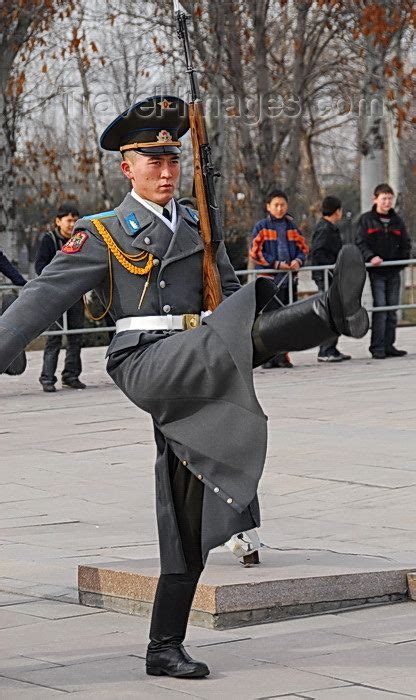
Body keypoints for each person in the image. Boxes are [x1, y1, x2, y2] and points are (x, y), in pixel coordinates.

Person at [0, 95, 369, 679]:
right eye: (152, 161)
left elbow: (223, 299)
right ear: (127, 167)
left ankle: (164, 646)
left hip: (200, 361)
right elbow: (42, 296)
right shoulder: (102, 232)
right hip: (147, 361)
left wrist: (251, 290)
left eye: (173, 160)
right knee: (223, 339)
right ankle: (327, 312)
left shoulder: (197, 223)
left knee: (188, 505)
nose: (166, 171)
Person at [249, 188, 308, 368]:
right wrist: (275, 264)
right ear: (268, 207)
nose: (280, 208)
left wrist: (298, 261)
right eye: (276, 205)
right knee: (268, 320)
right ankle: (268, 357)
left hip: (289, 280)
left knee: (286, 319)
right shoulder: (261, 227)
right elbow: (255, 252)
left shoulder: (292, 226)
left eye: (283, 205)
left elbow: (303, 248)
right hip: (269, 280)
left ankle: (283, 356)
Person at [356, 183, 411, 359]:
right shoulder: (366, 220)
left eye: (389, 198)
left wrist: (400, 262)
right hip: (377, 272)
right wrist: (371, 257)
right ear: (375, 199)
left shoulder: (397, 221)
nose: (387, 202)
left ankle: (389, 345)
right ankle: (377, 347)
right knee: (380, 308)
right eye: (384, 198)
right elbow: (360, 242)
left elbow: (406, 244)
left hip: (393, 272)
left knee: (392, 309)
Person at [35, 204, 86, 392]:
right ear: (58, 221)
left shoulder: (81, 239)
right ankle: (47, 377)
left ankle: (71, 375)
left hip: (76, 294)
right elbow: (40, 266)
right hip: (54, 296)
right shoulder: (49, 240)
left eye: (75, 220)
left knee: (76, 337)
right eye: (69, 220)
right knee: (54, 338)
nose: (72, 224)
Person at [310, 196, 351, 362]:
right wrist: (332, 267)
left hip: (330, 276)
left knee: (335, 312)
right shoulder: (325, 230)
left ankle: (331, 347)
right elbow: (319, 252)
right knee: (330, 313)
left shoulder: (329, 228)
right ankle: (326, 349)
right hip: (326, 277)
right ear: (337, 211)